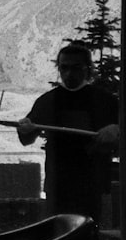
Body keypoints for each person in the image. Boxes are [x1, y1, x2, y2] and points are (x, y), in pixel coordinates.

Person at [17, 43, 119, 222]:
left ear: (88, 69)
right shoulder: (48, 101)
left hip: (94, 185)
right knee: (57, 237)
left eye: (76, 68)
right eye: (64, 68)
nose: (69, 74)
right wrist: (24, 128)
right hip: (58, 185)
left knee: (91, 238)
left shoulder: (105, 101)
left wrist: (117, 130)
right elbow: (27, 138)